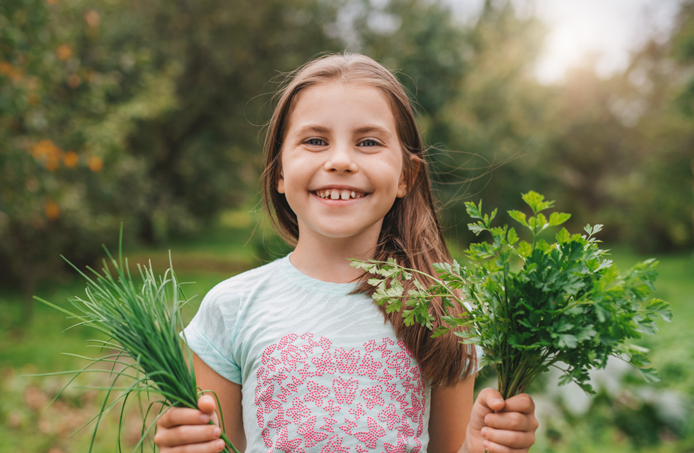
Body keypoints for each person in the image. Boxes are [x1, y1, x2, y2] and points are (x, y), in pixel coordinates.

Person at [153, 53, 539, 453]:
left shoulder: (443, 307)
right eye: (315, 140)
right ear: (280, 171)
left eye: (368, 142)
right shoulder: (231, 308)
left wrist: (482, 446)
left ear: (406, 176)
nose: (340, 161)